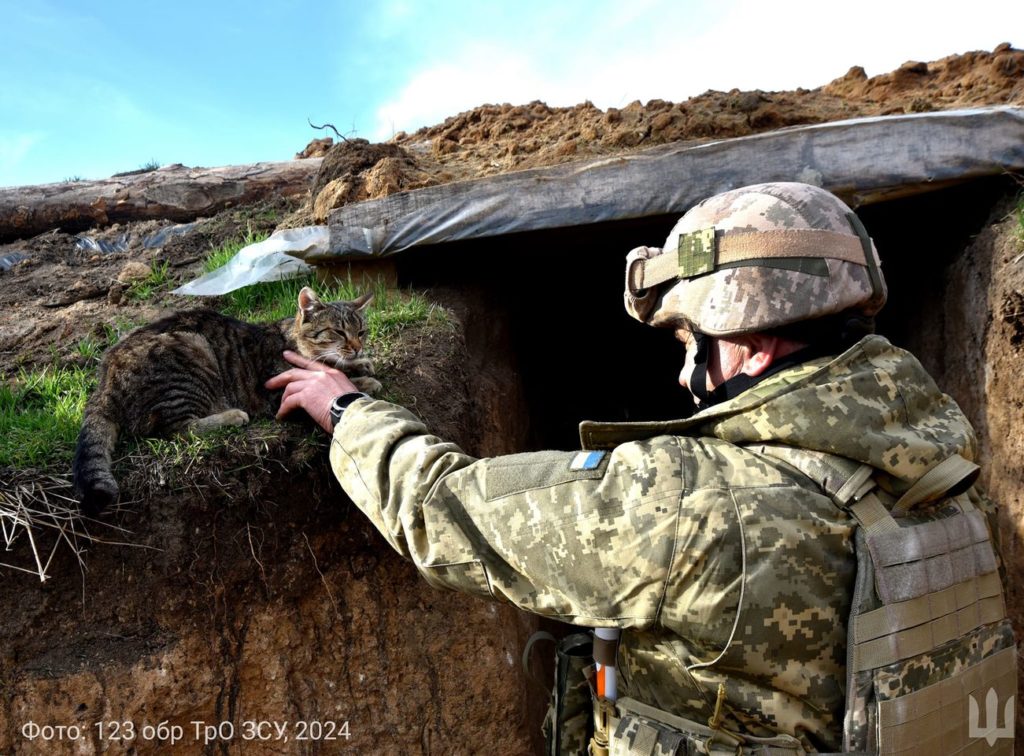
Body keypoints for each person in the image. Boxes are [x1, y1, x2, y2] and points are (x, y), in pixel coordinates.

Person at [267, 183, 1014, 755]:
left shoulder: (687, 502)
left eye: (690, 340)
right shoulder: (943, 472)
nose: (685, 371)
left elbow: (440, 508)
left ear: (749, 348)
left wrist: (346, 409)